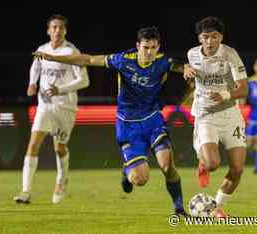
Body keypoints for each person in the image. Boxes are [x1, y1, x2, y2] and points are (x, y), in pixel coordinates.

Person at [33, 26, 190, 216]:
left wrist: (187, 68)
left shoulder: (162, 61)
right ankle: (127, 170)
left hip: (153, 120)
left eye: (154, 47)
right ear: (137, 45)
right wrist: (54, 57)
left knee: (167, 165)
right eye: (146, 47)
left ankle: (179, 209)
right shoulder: (123, 60)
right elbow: (88, 59)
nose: (149, 52)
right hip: (128, 125)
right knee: (140, 180)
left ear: (158, 47)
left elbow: (180, 65)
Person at [14, 14, 89, 204]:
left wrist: (60, 89)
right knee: (33, 144)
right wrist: (32, 83)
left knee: (59, 148)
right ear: (48, 30)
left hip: (65, 107)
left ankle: (61, 180)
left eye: (61, 27)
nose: (57, 30)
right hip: (45, 105)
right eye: (54, 27)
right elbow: (36, 67)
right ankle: (25, 192)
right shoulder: (42, 49)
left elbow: (84, 81)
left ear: (65, 31)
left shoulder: (72, 52)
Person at [184, 16, 248, 217]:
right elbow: (192, 73)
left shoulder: (230, 55)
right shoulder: (192, 54)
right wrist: (186, 70)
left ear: (221, 37)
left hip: (230, 115)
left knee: (237, 169)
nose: (210, 41)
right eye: (205, 37)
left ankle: (216, 206)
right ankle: (202, 162)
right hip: (206, 115)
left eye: (214, 37)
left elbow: (244, 89)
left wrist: (225, 95)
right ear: (199, 38)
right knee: (212, 164)